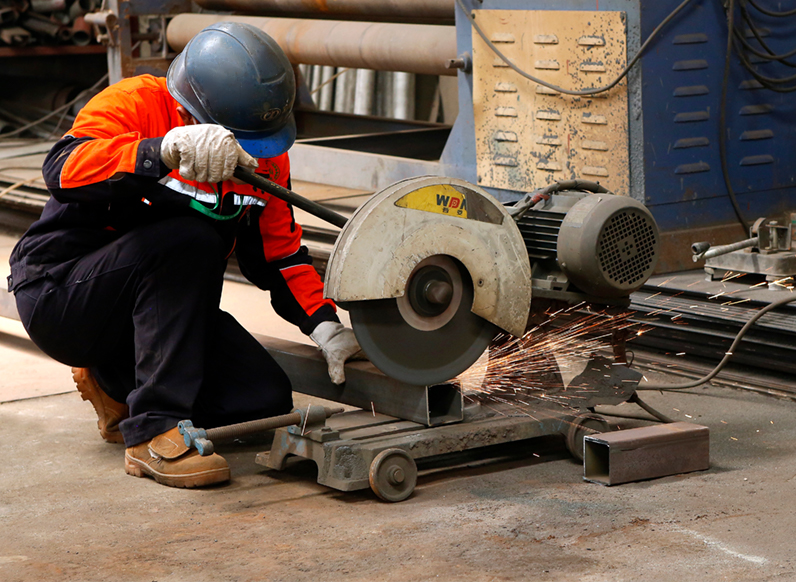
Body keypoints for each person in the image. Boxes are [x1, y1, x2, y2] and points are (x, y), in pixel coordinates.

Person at [7, 21, 361, 489]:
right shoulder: (136, 102)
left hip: (147, 316)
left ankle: (114, 383)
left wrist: (324, 323)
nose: (250, 150)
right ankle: (153, 434)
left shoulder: (264, 151)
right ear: (195, 113)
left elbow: (278, 253)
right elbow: (63, 168)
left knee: (263, 398)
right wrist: (162, 151)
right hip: (63, 294)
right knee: (191, 238)